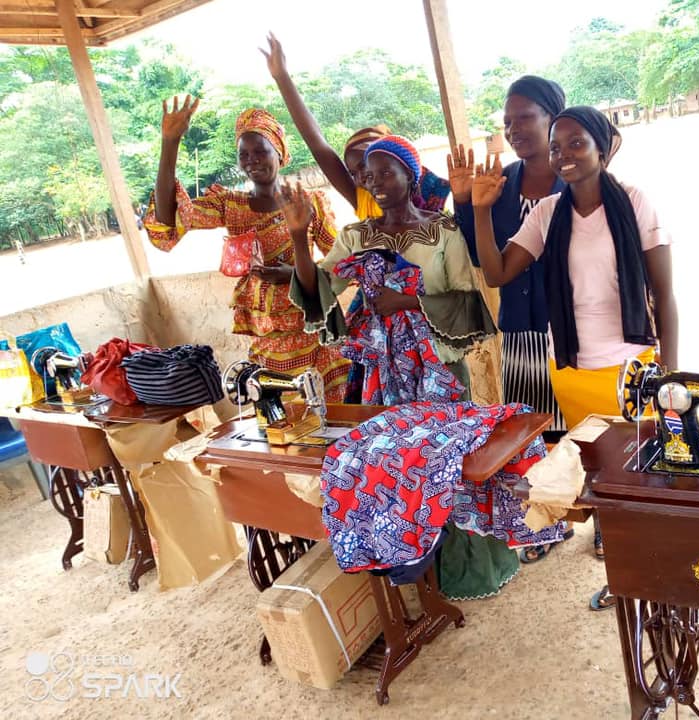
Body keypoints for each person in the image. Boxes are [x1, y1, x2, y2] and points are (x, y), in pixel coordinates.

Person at [283, 135, 525, 601]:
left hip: (439, 368)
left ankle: (466, 571)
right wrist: (298, 236)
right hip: (381, 372)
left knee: (450, 466)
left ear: (410, 175)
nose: (373, 181)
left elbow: (468, 301)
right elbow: (319, 290)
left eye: (384, 171)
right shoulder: (355, 237)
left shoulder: (443, 232)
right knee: (393, 468)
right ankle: (410, 568)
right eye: (366, 175)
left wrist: (409, 300)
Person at [470, 106, 686, 621]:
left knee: (653, 489)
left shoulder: (634, 202)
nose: (563, 156)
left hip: (633, 370)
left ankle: (673, 594)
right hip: (572, 371)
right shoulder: (547, 213)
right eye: (555, 148)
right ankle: (630, 583)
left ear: (603, 147)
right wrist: (480, 209)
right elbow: (498, 273)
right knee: (607, 493)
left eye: (575, 144)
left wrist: (671, 378)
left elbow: (665, 294)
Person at [142, 97, 350, 400]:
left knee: (330, 419)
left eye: (260, 151)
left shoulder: (309, 202)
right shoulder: (230, 206)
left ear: (279, 152)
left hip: (315, 337)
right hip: (265, 342)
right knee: (280, 427)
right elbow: (166, 220)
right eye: (244, 154)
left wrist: (292, 274)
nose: (252, 160)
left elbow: (343, 267)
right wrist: (170, 143)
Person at [448, 75, 576, 564]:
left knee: (590, 425)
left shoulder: (580, 181)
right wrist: (465, 201)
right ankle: (548, 520)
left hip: (576, 324)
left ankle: (605, 517)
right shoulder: (501, 189)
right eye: (508, 121)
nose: (515, 128)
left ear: (552, 119)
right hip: (523, 323)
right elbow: (481, 256)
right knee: (536, 428)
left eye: (526, 117)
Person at [262, 33, 450, 221]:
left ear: (404, 171)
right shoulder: (365, 201)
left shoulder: (435, 205)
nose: (361, 178)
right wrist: (282, 77)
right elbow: (318, 145)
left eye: (364, 166)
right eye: (353, 173)